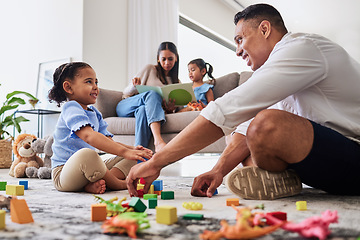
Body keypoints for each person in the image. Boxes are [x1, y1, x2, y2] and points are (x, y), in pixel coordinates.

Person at [126, 3, 360, 200]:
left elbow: (228, 109)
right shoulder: (277, 75)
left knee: (267, 125)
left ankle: (282, 178)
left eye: (240, 39)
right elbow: (244, 127)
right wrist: (217, 171)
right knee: (249, 142)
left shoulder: (303, 48)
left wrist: (156, 162)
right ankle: (285, 181)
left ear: (265, 29)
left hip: (353, 154)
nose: (237, 51)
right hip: (326, 162)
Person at [48, 62, 152, 194]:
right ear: (68, 87)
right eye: (88, 82)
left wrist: (132, 149)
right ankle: (119, 184)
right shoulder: (71, 108)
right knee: (88, 154)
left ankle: (96, 183)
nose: (95, 87)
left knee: (138, 157)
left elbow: (109, 142)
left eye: (96, 82)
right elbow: (89, 136)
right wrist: (125, 151)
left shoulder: (95, 113)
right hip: (64, 174)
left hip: (89, 169)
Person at [116, 42, 179, 153]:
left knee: (143, 111)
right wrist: (134, 86)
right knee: (153, 94)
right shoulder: (150, 69)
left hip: (143, 110)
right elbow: (126, 92)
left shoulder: (176, 82)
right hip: (127, 105)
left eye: (170, 59)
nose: (167, 62)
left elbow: (172, 110)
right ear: (158, 59)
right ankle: (158, 141)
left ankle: (139, 159)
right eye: (163, 59)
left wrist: (170, 109)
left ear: (176, 58)